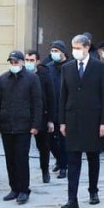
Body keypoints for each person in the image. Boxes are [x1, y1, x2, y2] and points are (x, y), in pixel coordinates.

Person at [58, 34, 104, 208]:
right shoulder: (67, 68)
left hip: (93, 120)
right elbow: (63, 96)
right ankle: (72, 199)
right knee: (73, 159)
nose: (76, 51)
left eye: (79, 47)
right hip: (73, 119)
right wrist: (62, 122)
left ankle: (93, 190)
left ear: (87, 48)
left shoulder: (101, 68)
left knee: (92, 157)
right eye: (74, 47)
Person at [0, 50, 42, 205]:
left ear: (22, 62)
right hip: (7, 126)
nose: (14, 65)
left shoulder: (32, 78)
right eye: (11, 62)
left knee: (21, 159)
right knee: (10, 159)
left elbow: (37, 103)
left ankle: (24, 190)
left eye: (16, 62)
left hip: (23, 126)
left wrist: (35, 124)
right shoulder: (3, 79)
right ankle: (13, 188)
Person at [24, 50, 56, 183]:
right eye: (27, 60)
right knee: (23, 147)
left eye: (32, 60)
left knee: (43, 146)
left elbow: (51, 97)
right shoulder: (21, 74)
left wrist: (50, 120)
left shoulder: (45, 75)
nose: (29, 63)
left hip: (42, 116)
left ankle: (45, 170)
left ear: (37, 61)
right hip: (24, 116)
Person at [45, 40, 69, 179]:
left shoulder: (71, 66)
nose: (54, 54)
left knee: (63, 138)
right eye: (52, 51)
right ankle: (59, 160)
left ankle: (64, 166)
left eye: (57, 51)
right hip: (52, 107)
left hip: (65, 108)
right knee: (50, 139)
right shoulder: (49, 67)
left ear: (63, 52)